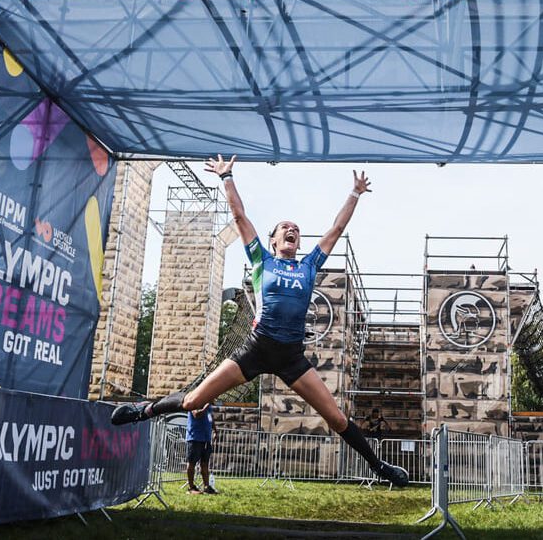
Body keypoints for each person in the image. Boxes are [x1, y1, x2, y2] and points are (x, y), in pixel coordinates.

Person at [112, 155, 409, 488]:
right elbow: (239, 215)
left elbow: (336, 229)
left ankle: (379, 468)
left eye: (296, 229)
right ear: (273, 240)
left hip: (291, 357)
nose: (292, 231)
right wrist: (227, 177)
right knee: (195, 400)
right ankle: (143, 410)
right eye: (285, 228)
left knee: (336, 418)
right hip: (255, 349)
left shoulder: (308, 265)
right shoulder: (261, 259)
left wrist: (354, 193)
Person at [185, 404, 217, 495]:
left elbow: (211, 418)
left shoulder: (209, 407)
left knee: (205, 463)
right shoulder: (195, 403)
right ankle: (191, 488)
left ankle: (207, 487)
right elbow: (196, 415)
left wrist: (215, 430)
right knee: (191, 463)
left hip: (206, 438)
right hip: (195, 438)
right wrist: (205, 406)